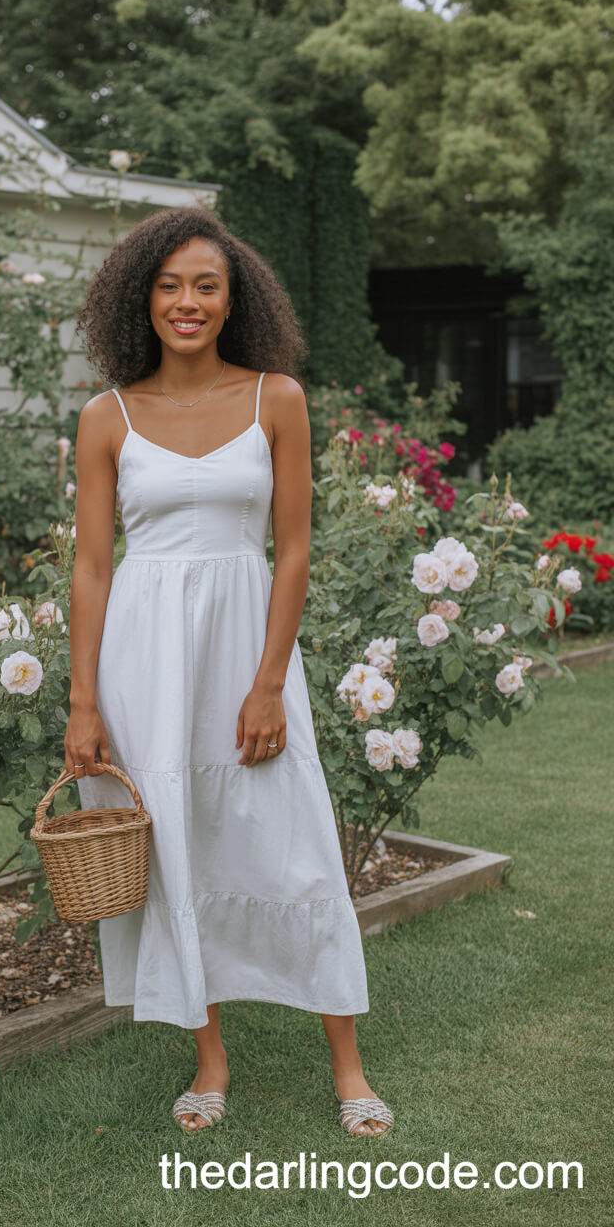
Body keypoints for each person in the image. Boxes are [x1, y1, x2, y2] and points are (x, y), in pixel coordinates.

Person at [63, 206, 393, 1137]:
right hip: (145, 661)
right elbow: (92, 566)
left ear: (233, 297)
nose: (187, 302)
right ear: (142, 298)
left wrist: (267, 682)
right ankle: (209, 1062)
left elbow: (293, 551)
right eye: (168, 285)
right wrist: (84, 700)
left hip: (250, 651)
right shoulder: (107, 417)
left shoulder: (274, 398)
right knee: (177, 850)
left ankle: (350, 1067)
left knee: (296, 843)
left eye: (206, 285)